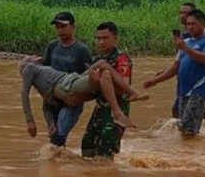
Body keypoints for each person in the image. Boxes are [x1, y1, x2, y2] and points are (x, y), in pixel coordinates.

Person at [19, 55, 148, 139]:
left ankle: (124, 102)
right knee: (102, 63)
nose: (33, 58)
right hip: (65, 84)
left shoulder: (42, 84)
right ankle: (126, 101)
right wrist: (29, 120)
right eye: (30, 58)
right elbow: (24, 93)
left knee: (105, 75)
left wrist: (51, 124)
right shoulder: (29, 68)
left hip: (70, 83)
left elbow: (46, 106)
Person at [144, 9, 205, 136]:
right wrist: (155, 80)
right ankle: (189, 151)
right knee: (185, 127)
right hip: (184, 90)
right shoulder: (186, 43)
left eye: (193, 24)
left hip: (199, 90)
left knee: (188, 129)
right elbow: (175, 67)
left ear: (202, 24)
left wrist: (186, 49)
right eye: (188, 24)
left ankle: (191, 153)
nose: (189, 27)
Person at [81, 22, 132, 159]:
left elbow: (122, 90)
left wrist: (100, 82)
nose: (101, 42)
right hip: (100, 109)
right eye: (98, 38)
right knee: (87, 147)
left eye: (105, 38)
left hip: (116, 111)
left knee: (106, 153)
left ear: (116, 39)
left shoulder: (121, 59)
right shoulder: (98, 59)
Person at [42, 11, 93, 147]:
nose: (60, 30)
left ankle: (56, 165)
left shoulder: (82, 50)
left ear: (73, 27)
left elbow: (91, 77)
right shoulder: (52, 46)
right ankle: (59, 165)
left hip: (71, 101)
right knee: (54, 136)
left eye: (63, 26)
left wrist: (81, 98)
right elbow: (44, 70)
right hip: (51, 98)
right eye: (57, 27)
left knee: (59, 137)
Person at [158, 2, 196, 118]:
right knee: (191, 106)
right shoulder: (183, 35)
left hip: (194, 76)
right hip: (183, 76)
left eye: (186, 13)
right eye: (180, 12)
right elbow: (180, 58)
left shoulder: (196, 35)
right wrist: (167, 70)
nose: (182, 15)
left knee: (177, 108)